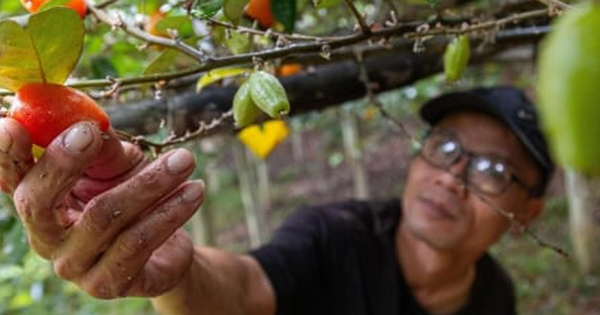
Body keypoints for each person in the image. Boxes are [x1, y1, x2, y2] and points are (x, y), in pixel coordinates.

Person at [0, 86, 553, 315]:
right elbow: (244, 287)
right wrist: (174, 273)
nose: (452, 177)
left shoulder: (494, 294)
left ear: (528, 212)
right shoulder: (335, 235)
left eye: (492, 169)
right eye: (444, 147)